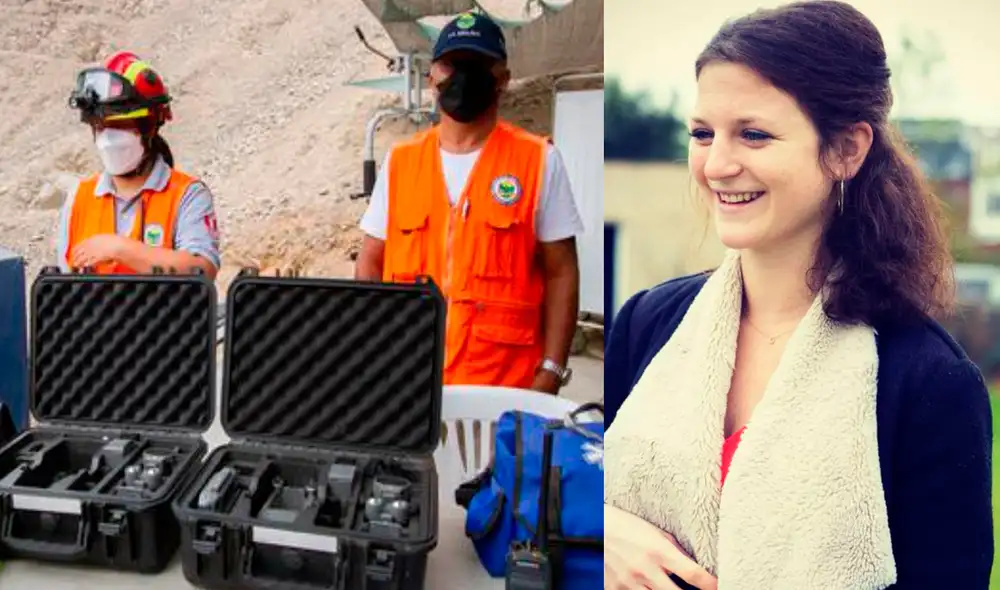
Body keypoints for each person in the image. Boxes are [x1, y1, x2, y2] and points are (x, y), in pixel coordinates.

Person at [602, 2, 993, 590]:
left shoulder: (929, 383)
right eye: (703, 134)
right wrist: (605, 527)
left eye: (753, 134)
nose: (717, 164)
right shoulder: (648, 324)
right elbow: (575, 488)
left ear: (846, 151)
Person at [355, 12, 584, 394]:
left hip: (506, 388)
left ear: (503, 79)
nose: (462, 75)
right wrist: (374, 352)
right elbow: (370, 261)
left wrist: (551, 371)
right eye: (452, 64)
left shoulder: (538, 161)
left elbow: (562, 273)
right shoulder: (401, 162)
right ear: (432, 77)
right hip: (409, 384)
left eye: (477, 65)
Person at [56, 51, 221, 278]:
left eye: (119, 125)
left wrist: (119, 248)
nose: (108, 138)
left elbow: (202, 269)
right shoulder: (79, 198)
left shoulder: (187, 195)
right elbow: (64, 284)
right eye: (99, 126)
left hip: (165, 314)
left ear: (150, 126)